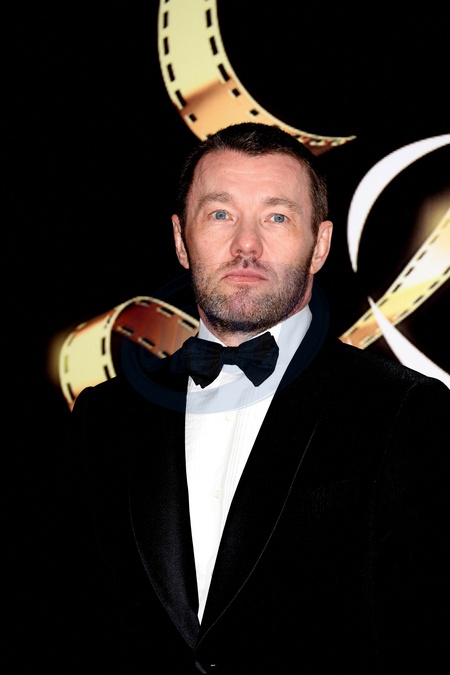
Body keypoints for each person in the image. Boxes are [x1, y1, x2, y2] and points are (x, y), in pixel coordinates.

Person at [58, 122, 450, 674]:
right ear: (180, 239)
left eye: (276, 217)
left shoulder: (403, 412)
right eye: (221, 214)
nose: (247, 245)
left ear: (320, 245)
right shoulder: (106, 418)